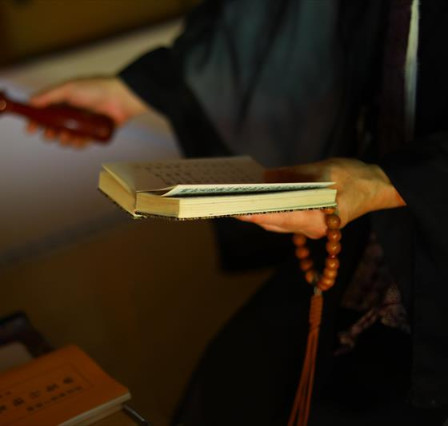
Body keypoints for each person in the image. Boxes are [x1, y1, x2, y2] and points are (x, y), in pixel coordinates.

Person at [27, 0, 448, 424]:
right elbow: (296, 20)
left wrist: (385, 184)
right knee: (239, 385)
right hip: (372, 227)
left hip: (424, 223)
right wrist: (140, 90)